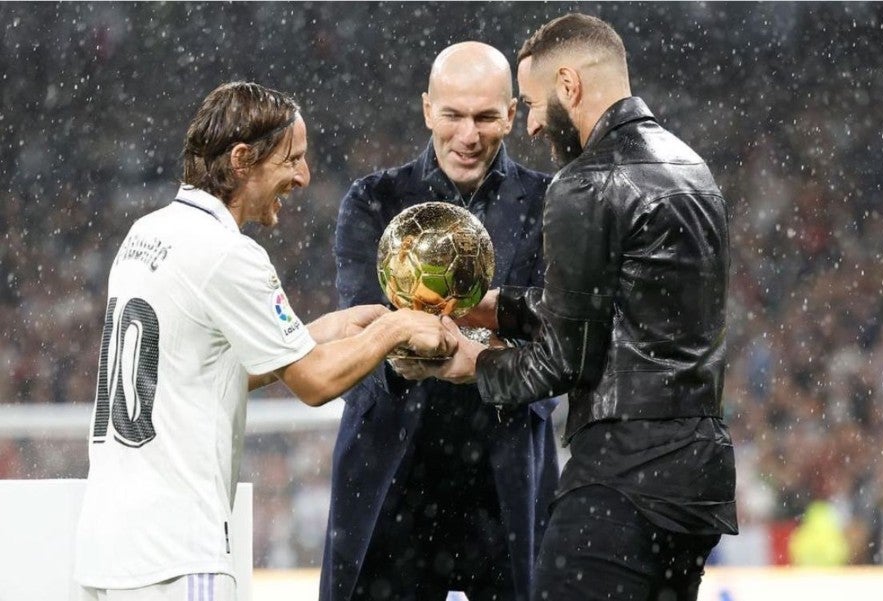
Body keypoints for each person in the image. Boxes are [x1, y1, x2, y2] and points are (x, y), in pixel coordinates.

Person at [73, 81, 454, 601]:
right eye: (291, 159)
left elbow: (202, 373)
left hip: (107, 550)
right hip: (178, 555)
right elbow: (316, 384)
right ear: (242, 159)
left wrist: (316, 333)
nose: (303, 176)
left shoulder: (147, 233)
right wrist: (397, 326)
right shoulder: (228, 253)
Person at [414, 14, 738, 601]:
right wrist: (493, 309)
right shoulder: (692, 167)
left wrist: (472, 365)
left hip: (623, 476)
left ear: (569, 85)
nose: (532, 123)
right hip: (697, 478)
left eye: (533, 103)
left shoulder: (586, 181)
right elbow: (622, 316)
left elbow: (563, 362)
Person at [322, 42, 559, 601]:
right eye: (452, 115)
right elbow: (360, 329)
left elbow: (559, 343)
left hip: (507, 477)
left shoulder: (550, 205)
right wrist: (473, 344)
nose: (467, 135)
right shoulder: (374, 201)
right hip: (388, 469)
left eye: (484, 117)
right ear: (428, 109)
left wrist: (444, 348)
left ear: (511, 113)